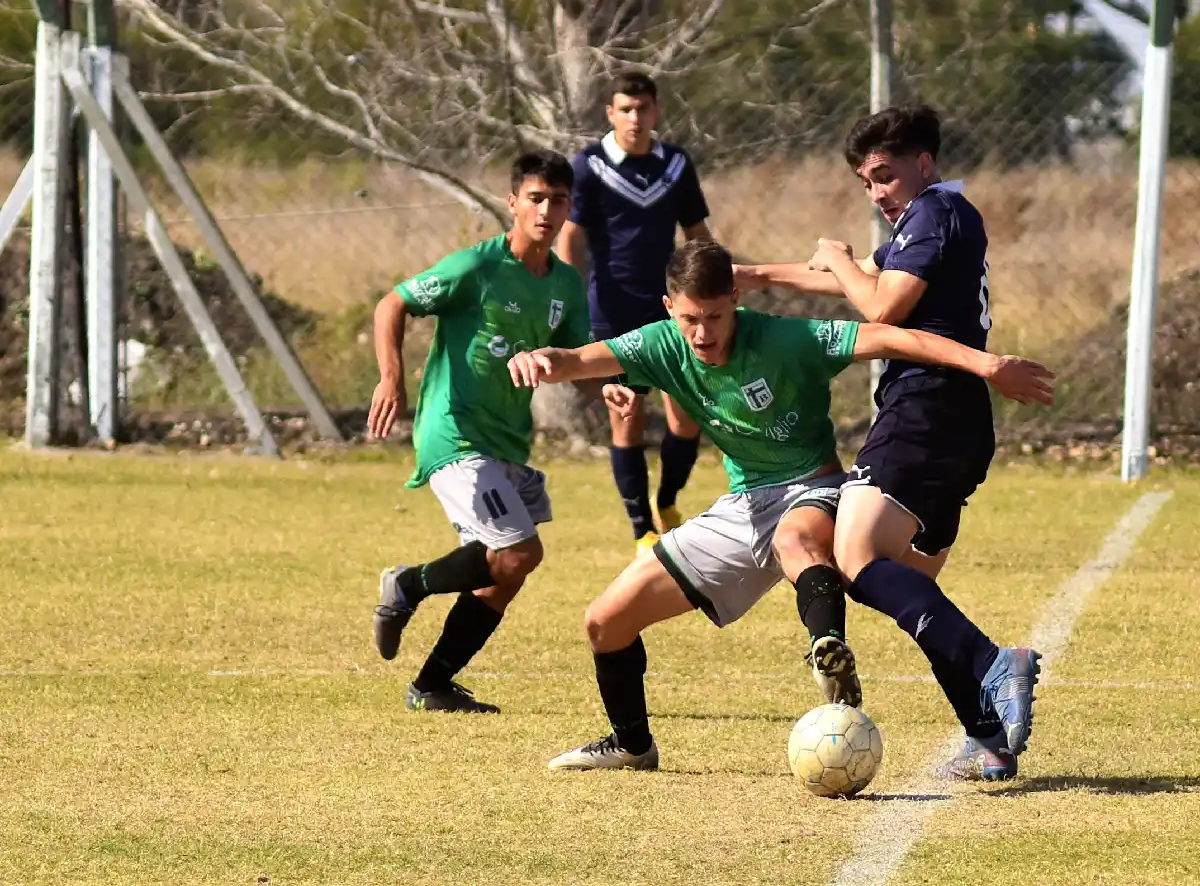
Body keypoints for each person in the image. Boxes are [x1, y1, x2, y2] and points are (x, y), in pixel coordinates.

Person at [507, 239, 1054, 771]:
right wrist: (541, 359)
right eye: (691, 319)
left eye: (716, 317)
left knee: (794, 539)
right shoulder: (660, 343)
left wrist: (987, 366)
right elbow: (577, 360)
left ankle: (829, 652)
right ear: (669, 306)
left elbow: (893, 337)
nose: (703, 333)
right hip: (742, 505)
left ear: (735, 300)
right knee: (605, 621)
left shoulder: (789, 339)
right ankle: (632, 745)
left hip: (813, 488)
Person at [734, 105, 1041, 781]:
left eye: (884, 176)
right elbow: (862, 280)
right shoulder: (933, 218)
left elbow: (877, 305)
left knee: (856, 559)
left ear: (923, 164)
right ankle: (988, 737)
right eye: (866, 183)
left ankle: (996, 662)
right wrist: (758, 275)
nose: (875, 193)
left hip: (922, 411)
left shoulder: (933, 211)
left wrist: (839, 259)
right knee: (913, 590)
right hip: (957, 420)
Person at [366, 149, 592, 714]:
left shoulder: (565, 283)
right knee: (519, 550)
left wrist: (611, 385)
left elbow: (577, 359)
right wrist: (391, 377)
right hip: (454, 434)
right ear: (512, 202)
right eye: (535, 199)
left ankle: (431, 685)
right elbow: (392, 304)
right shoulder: (476, 267)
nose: (546, 210)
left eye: (558, 200)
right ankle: (407, 585)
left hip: (507, 440)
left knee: (505, 573)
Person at [559, 71, 714, 556]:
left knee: (687, 416)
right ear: (610, 113)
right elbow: (571, 236)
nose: (634, 117)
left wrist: (710, 285)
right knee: (627, 416)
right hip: (612, 308)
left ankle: (667, 501)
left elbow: (697, 232)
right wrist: (567, 294)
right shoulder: (589, 166)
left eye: (642, 107)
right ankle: (641, 529)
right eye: (625, 108)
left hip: (668, 307)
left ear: (656, 111)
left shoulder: (676, 164)